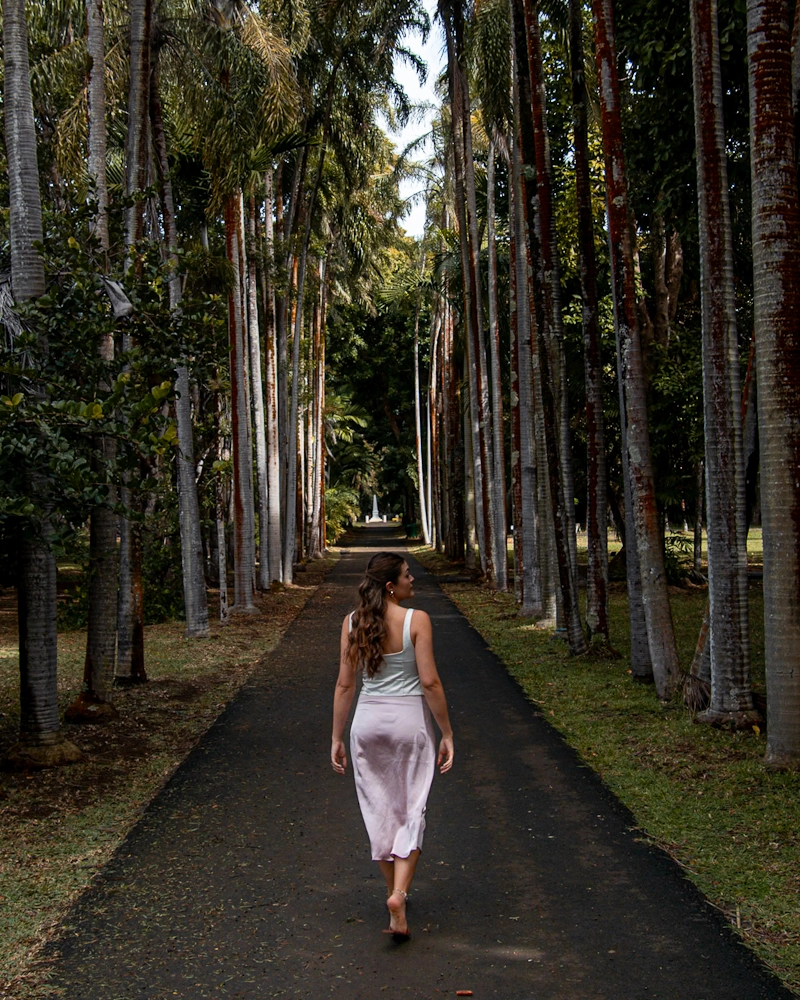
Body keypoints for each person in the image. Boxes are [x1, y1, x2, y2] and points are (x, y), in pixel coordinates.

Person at [331, 552, 454, 940]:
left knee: (380, 810)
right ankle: (399, 895)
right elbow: (430, 682)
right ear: (390, 586)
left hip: (366, 724)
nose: (412, 579)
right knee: (411, 809)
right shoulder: (417, 620)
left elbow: (345, 684)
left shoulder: (352, 622)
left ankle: (394, 896)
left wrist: (336, 737)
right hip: (408, 724)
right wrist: (447, 733)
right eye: (406, 575)